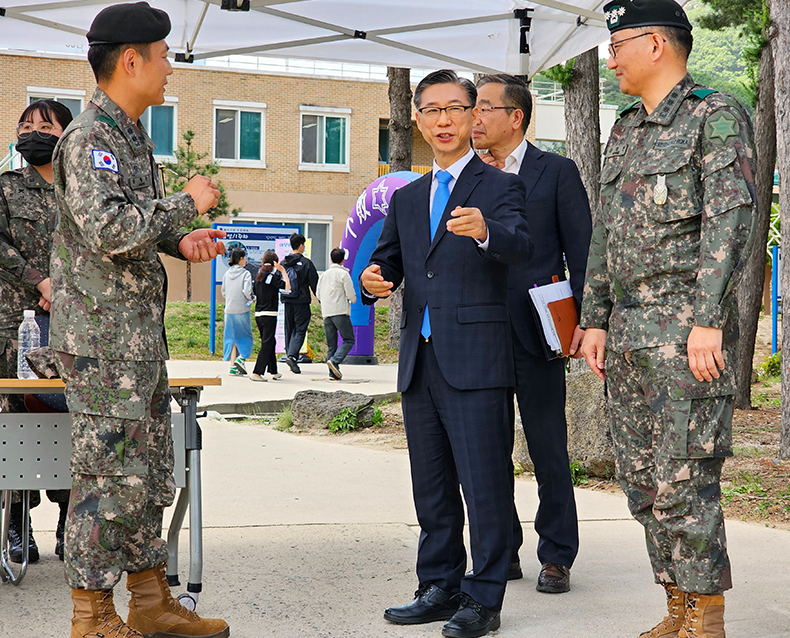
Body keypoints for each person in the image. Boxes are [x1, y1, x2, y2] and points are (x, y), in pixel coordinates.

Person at [50, 3, 230, 637]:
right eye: (164, 58)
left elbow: (128, 226)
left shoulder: (127, 133)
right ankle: (90, 615)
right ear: (132, 60)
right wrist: (186, 202)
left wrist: (178, 242)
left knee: (145, 474)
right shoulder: (90, 138)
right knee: (105, 479)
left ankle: (150, 599)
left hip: (131, 341)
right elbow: (107, 227)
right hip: (103, 345)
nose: (168, 72)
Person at [579, 1, 756, 636]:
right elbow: (607, 231)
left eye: (620, 42)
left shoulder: (716, 115)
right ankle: (676, 606)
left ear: (656, 45)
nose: (611, 56)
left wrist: (709, 318)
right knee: (641, 483)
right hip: (627, 336)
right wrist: (594, 315)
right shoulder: (625, 128)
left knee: (685, 478)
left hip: (687, 336)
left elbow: (730, 222)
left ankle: (706, 620)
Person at [361, 69, 531, 638]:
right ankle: (438, 584)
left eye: (455, 109)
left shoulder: (499, 184)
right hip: (420, 358)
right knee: (430, 482)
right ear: (416, 119)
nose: (443, 120)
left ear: (472, 117)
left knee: (484, 484)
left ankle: (484, 598)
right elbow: (387, 261)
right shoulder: (407, 196)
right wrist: (371, 278)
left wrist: (486, 232)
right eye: (431, 110)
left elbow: (522, 247)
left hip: (478, 357)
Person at [471, 73, 591, 594]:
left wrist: (588, 322)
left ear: (515, 117)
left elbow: (583, 253)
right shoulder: (465, 176)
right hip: (475, 334)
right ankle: (501, 553)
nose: (473, 118)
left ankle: (557, 554)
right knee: (487, 452)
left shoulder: (557, 172)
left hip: (539, 331)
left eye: (483, 109)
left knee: (547, 447)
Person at [0, 99, 74, 564]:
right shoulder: (6, 188)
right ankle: (15, 524)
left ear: (66, 134)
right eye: (25, 125)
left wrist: (64, 289)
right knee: (11, 423)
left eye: (44, 125)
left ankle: (72, 521)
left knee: (70, 419)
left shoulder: (83, 188)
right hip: (13, 326)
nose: (33, 132)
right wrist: (39, 281)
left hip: (73, 324)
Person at [316, 247, 356, 380]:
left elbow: (318, 294)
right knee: (349, 339)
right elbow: (351, 294)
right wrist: (353, 300)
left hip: (326, 312)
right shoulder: (344, 274)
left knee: (332, 345)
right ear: (343, 260)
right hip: (340, 311)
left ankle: (332, 373)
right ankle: (335, 361)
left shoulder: (324, 275)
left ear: (331, 259)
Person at [280, 232, 318, 374]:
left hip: (287, 299)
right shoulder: (306, 263)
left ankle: (290, 353)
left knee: (289, 328)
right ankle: (292, 356)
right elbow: (315, 283)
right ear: (301, 245)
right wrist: (320, 298)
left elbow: (279, 280)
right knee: (300, 328)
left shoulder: (283, 262)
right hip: (301, 301)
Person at [250, 249, 289, 382]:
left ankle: (273, 370)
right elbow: (288, 288)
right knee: (267, 343)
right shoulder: (273, 277)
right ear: (275, 263)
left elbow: (254, 293)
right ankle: (257, 372)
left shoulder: (258, 277)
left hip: (258, 314)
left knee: (269, 341)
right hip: (270, 315)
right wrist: (283, 271)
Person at [221, 246, 254, 376]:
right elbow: (247, 291)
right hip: (242, 309)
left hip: (229, 309)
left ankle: (233, 365)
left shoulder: (227, 273)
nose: (246, 260)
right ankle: (242, 358)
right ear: (241, 259)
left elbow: (223, 292)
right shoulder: (245, 273)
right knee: (245, 336)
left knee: (232, 337)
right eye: (245, 257)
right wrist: (252, 297)